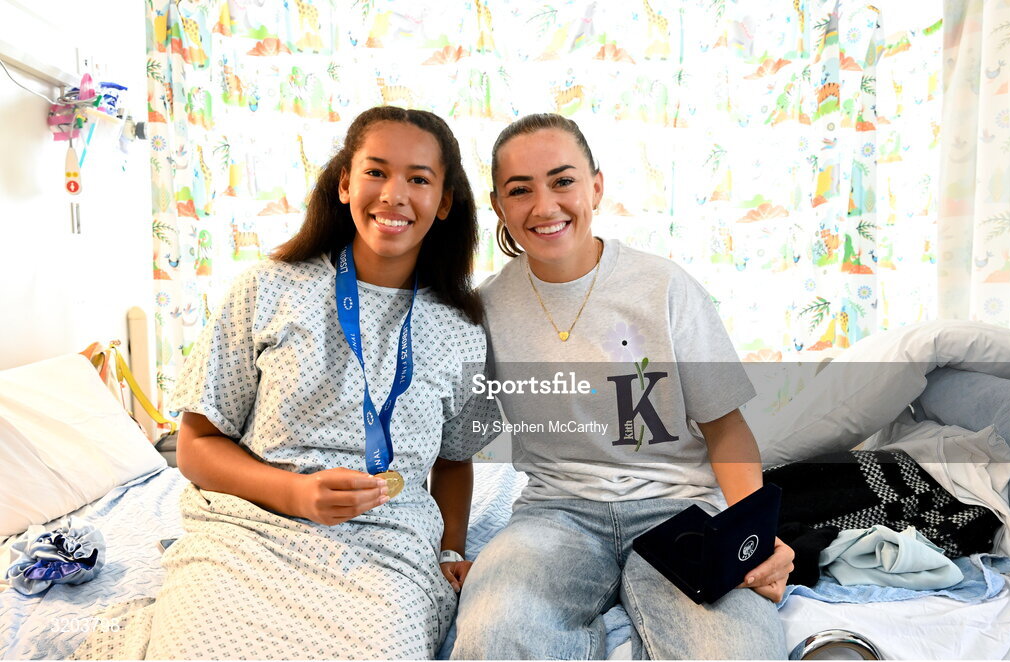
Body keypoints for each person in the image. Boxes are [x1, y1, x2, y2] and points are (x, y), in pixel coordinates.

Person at [73, 106, 497, 660]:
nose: (394, 193)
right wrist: (295, 493)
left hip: (388, 549)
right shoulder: (266, 288)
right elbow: (196, 447)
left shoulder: (464, 328)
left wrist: (449, 549)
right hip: (248, 530)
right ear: (345, 183)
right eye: (376, 171)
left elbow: (455, 458)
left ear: (443, 202)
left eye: (418, 178)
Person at [450, 114, 794, 660]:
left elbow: (727, 428)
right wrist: (449, 547)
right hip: (554, 514)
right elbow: (455, 444)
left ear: (596, 186)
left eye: (563, 181)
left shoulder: (664, 286)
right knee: (492, 636)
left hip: (679, 508)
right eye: (521, 190)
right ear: (499, 205)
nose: (544, 206)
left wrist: (751, 534)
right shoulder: (485, 309)